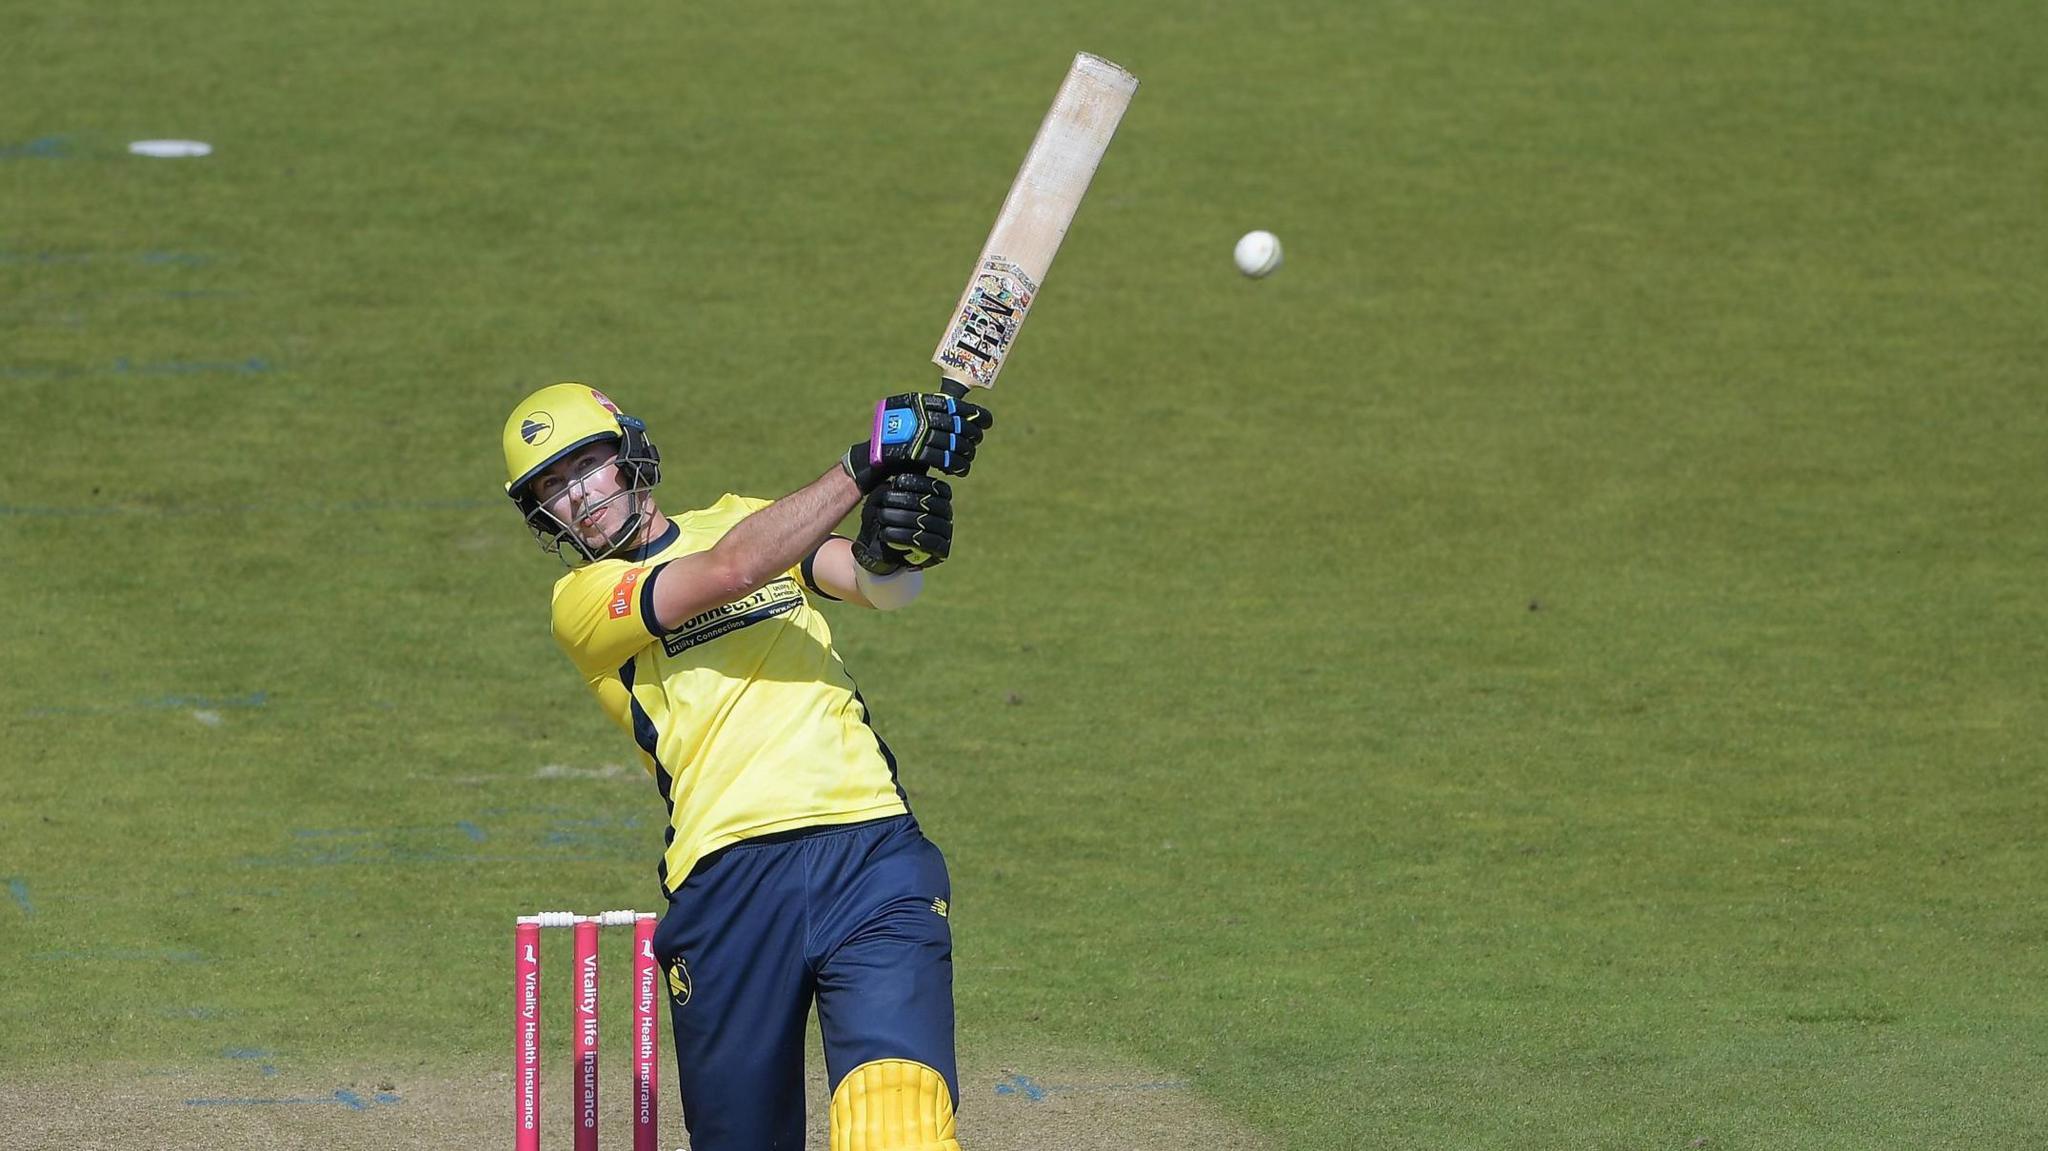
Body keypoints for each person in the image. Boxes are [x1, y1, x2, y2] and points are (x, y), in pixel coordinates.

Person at [500, 381, 993, 1151]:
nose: (577, 497)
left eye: (585, 465)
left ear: (629, 454)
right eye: (551, 490)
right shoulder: (585, 601)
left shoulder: (746, 517)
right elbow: (732, 570)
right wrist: (867, 461)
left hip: (870, 851)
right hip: (727, 882)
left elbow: (877, 587)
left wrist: (892, 543)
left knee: (900, 1124)